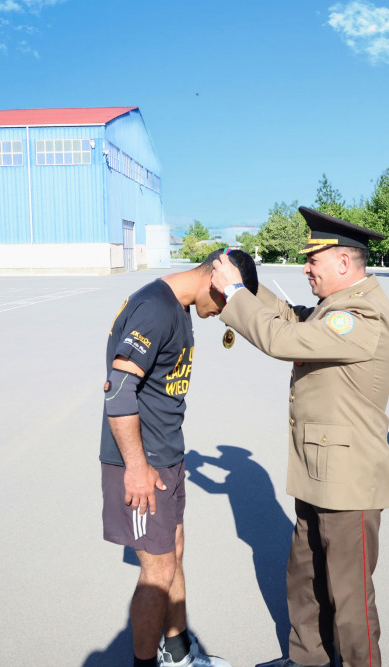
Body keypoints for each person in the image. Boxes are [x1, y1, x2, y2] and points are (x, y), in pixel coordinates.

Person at [211, 207, 389, 667]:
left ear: (342, 262)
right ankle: (307, 660)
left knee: (350, 599)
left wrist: (235, 294)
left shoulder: (361, 315)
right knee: (305, 577)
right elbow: (292, 317)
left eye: (313, 260)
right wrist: (247, 283)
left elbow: (283, 341)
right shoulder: (334, 309)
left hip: (349, 482)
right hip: (320, 474)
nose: (305, 267)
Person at [101, 248, 258, 667]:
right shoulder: (155, 307)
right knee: (157, 573)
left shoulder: (179, 306)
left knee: (173, 555)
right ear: (213, 278)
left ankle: (178, 655)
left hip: (166, 456)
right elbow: (118, 390)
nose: (223, 312)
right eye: (226, 298)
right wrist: (136, 467)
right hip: (143, 463)